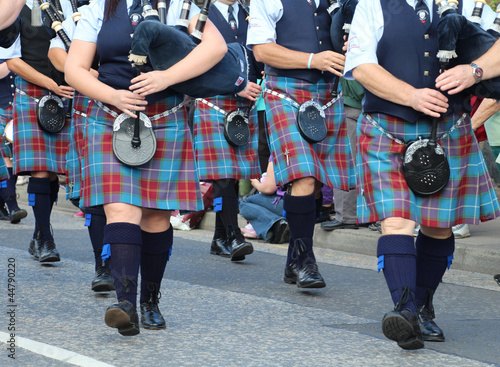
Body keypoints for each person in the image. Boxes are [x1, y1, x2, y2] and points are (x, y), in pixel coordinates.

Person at [65, 0, 226, 336]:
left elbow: (215, 48)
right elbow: (75, 69)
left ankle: (150, 300)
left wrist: (166, 77)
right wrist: (113, 95)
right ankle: (125, 302)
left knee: (155, 216)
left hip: (166, 117)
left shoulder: (181, 4)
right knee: (120, 208)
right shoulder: (100, 7)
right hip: (110, 117)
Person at [345, 0, 499, 350]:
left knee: (438, 225)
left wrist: (473, 70)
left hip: (448, 129)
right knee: (396, 220)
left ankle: (423, 307)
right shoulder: (373, 4)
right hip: (387, 127)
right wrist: (410, 95)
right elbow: (361, 65)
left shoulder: (469, 4)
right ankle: (406, 310)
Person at [248, 0, 357, 288]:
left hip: (328, 93)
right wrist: (313, 60)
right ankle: (306, 261)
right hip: (284, 90)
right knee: (304, 174)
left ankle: (293, 262)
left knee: (317, 181)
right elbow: (261, 50)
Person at [47, 0, 114, 292]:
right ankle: (103, 265)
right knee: (97, 191)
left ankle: (131, 266)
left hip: (140, 101)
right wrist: (83, 72)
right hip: (93, 102)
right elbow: (56, 51)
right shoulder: (89, 11)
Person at [3, 0, 75, 263]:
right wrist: (49, 84)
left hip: (67, 89)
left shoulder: (70, 3)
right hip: (32, 91)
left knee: (55, 170)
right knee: (41, 168)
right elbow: (11, 61)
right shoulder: (15, 6)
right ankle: (46, 237)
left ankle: (38, 233)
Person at [192, 0, 263, 262]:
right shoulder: (200, 16)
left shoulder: (246, 14)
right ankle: (234, 234)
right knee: (223, 173)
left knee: (233, 175)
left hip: (244, 103)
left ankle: (219, 238)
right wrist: (234, 85)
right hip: (214, 98)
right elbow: (194, 61)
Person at [321, 78, 364, 231]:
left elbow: (357, 88)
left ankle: (347, 216)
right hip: (360, 105)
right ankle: (359, 215)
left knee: (344, 162)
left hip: (352, 105)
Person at [0, 61, 28, 224]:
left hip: (19, 108)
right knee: (6, 157)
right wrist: (13, 59)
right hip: (2, 107)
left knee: (14, 156)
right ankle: (13, 207)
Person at [239, 159, 289, 244]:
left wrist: (255, 182)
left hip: (287, 204)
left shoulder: (276, 153)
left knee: (244, 204)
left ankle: (275, 225)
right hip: (310, 206)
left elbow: (268, 189)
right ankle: (271, 230)